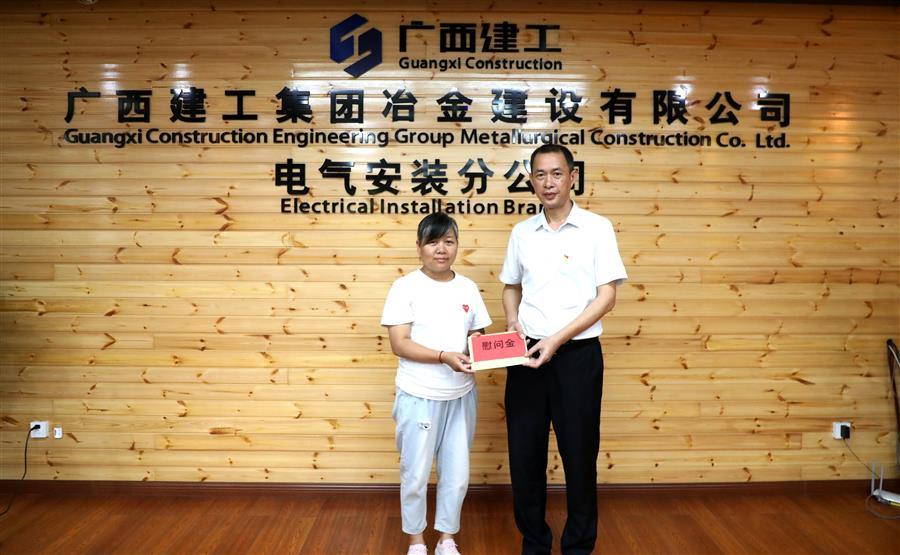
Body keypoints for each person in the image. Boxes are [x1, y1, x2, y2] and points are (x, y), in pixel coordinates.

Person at [499, 144, 627, 555]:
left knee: (579, 456)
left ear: (572, 177)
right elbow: (511, 286)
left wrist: (556, 339)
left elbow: (607, 297)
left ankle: (578, 547)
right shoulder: (522, 232)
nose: (548, 182)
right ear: (531, 181)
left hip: (577, 357)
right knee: (525, 457)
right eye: (540, 175)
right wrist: (513, 321)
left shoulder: (597, 228)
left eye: (557, 173)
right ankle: (534, 543)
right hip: (525, 357)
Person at [381, 212, 492, 555]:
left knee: (456, 474)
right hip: (419, 395)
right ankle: (416, 541)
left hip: (461, 395)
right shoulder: (404, 287)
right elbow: (400, 343)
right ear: (419, 247)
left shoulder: (467, 287)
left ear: (457, 245)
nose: (441, 249)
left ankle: (446, 538)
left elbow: (477, 334)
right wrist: (444, 356)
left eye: (448, 241)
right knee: (415, 474)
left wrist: (486, 350)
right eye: (433, 242)